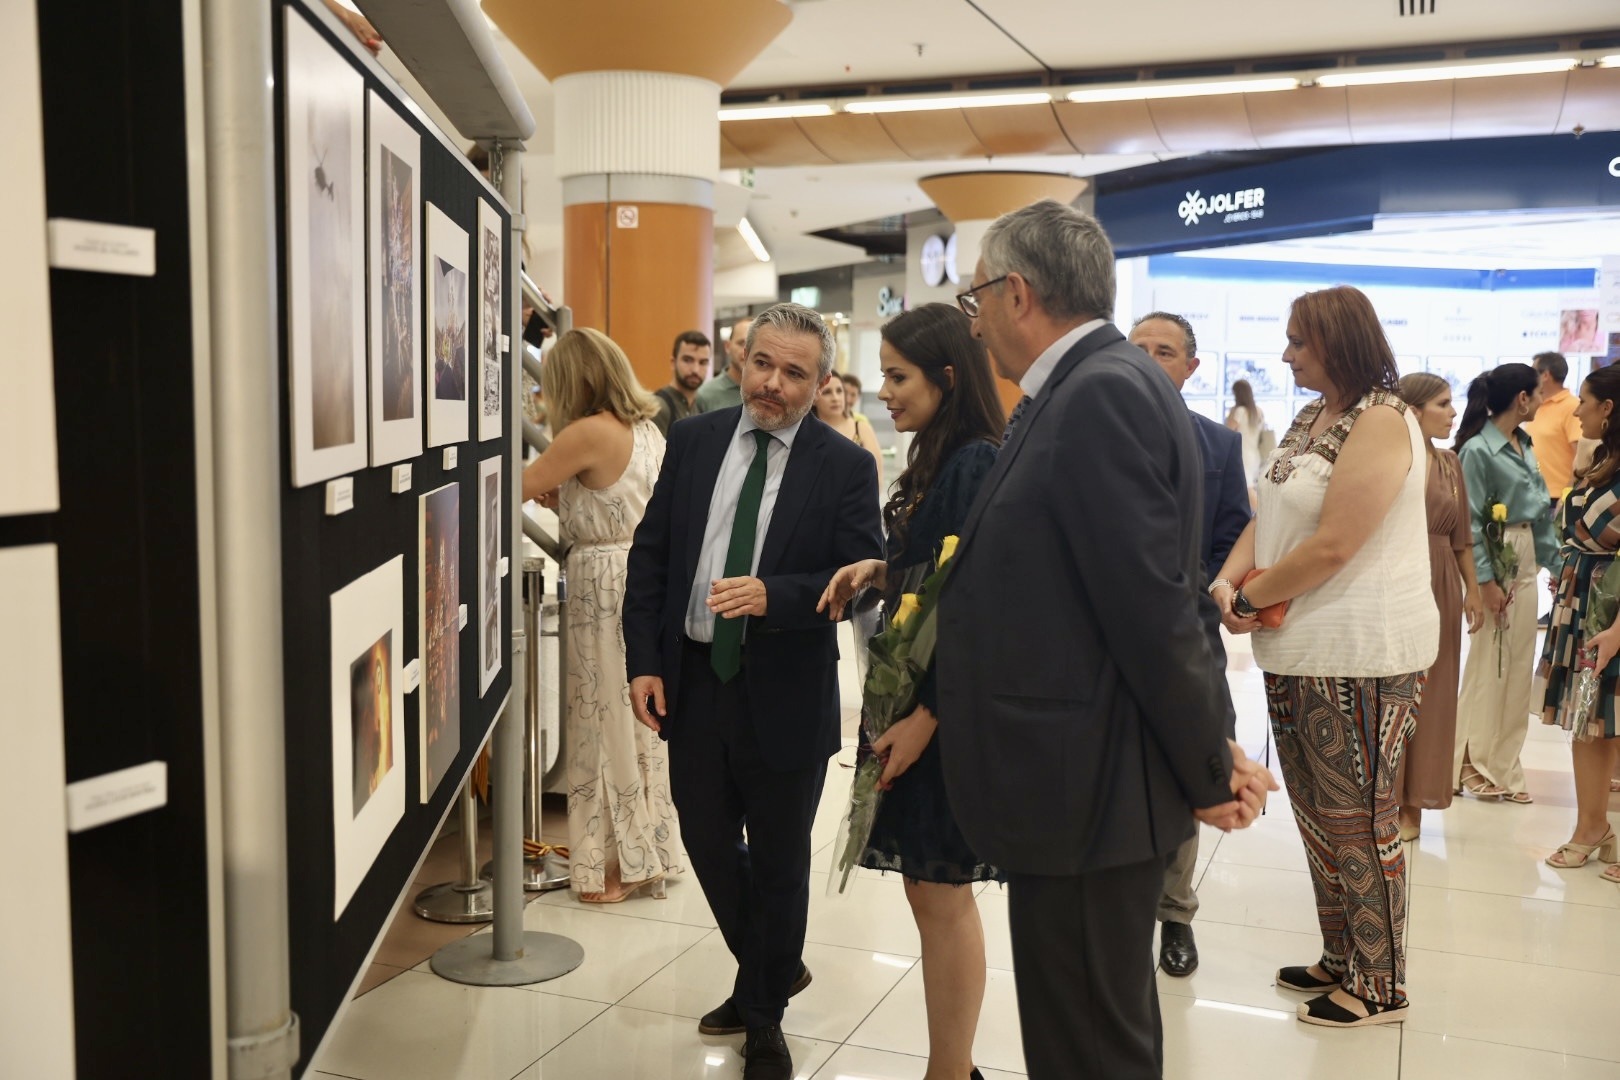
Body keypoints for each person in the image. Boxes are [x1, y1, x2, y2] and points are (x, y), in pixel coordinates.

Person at [937, 199, 1276, 1079]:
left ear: (1016, 292)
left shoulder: (1098, 396)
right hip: (1074, 778)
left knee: (1088, 1043)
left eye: (976, 296)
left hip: (1081, 786)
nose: (973, 321)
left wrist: (1209, 765)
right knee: (1089, 1027)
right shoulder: (1094, 387)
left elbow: (1154, 608)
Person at [623, 303, 884, 1080]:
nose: (771, 383)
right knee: (704, 840)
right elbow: (653, 554)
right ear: (742, 360)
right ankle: (770, 966)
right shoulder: (695, 440)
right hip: (696, 682)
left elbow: (862, 581)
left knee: (777, 860)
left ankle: (763, 1014)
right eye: (762, 363)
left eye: (793, 372)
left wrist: (779, 595)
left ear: (821, 383)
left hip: (787, 691)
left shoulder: (845, 466)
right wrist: (644, 659)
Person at [1212, 284, 1438, 1029]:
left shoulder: (1381, 420)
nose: (1285, 355)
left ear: (1339, 341)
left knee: (1360, 818)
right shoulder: (1314, 417)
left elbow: (1337, 544)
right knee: (1317, 814)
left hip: (1361, 654)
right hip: (1300, 646)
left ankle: (1381, 984)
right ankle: (1341, 957)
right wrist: (1231, 579)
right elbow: (1268, 509)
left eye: (1298, 342)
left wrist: (1252, 599)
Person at [817, 303, 1006, 1080]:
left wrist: (929, 716)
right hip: (924, 698)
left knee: (940, 892)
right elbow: (937, 572)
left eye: (898, 376)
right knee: (931, 892)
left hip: (941, 708)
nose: (881, 391)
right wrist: (882, 571)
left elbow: (977, 604)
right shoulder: (945, 454)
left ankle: (951, 1070)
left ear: (948, 378)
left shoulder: (971, 461)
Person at [520, 329, 684, 902]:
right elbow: (619, 500)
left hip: (601, 586)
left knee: (598, 720)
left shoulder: (584, 431)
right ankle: (650, 851)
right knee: (637, 721)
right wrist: (568, 496)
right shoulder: (646, 430)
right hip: (641, 578)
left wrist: (554, 490)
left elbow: (511, 485)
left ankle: (615, 868)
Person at [1129, 311, 1253, 978]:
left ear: (1190, 368)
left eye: (1165, 350)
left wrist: (1211, 586)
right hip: (1109, 643)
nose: (1150, 358)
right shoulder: (1097, 436)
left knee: (1190, 767)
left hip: (1189, 637)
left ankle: (1175, 914)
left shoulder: (1216, 446)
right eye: (1138, 347)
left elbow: (1235, 532)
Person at [1452, 363, 1558, 803]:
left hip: (1528, 553)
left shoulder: (1524, 442)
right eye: (1537, 395)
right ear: (1522, 398)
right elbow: (1471, 523)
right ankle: (1466, 761)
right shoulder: (1477, 451)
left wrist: (1558, 566)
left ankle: (1504, 764)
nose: (1541, 402)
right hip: (1497, 555)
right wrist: (1483, 582)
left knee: (1517, 667)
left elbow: (1537, 512)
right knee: (1487, 664)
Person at [1394, 374, 1485, 842]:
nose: (1454, 413)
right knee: (1394, 690)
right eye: (1443, 404)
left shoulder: (1450, 463)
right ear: (1413, 409)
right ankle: (1384, 799)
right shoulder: (1394, 458)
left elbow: (1462, 539)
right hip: (1398, 577)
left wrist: (1473, 590)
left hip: (1443, 581)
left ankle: (1415, 805)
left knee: (1436, 695)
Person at [1541, 363, 1620, 879]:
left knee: (1605, 722)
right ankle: (1592, 827)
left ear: (1608, 409)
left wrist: (1617, 630)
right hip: (1585, 607)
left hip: (1609, 616)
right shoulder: (1603, 461)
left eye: (1585, 402)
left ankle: (1594, 827)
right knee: (1590, 725)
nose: (1579, 411)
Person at [1525, 351, 1581, 503]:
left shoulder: (1572, 406)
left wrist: (1567, 494)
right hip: (1534, 493)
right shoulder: (1536, 405)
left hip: (1557, 497)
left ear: (1545, 375)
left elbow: (1581, 455)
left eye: (1533, 372)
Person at [812, 371, 883, 479]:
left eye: (839, 391)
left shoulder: (861, 428)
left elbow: (877, 476)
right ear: (814, 399)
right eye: (827, 392)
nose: (835, 398)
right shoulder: (807, 431)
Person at [652, 330, 711, 436]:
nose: (695, 370)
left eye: (703, 362)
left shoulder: (700, 406)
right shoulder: (659, 406)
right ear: (673, 363)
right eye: (688, 360)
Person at [693, 316, 752, 414]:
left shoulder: (766, 391)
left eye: (752, 344)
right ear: (727, 346)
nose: (747, 351)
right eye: (741, 343)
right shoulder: (705, 395)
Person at [1226, 378, 1266, 484]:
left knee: (1247, 490)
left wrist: (1231, 413)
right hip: (1255, 456)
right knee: (1250, 487)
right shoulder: (1258, 411)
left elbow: (1227, 433)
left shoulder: (1239, 411)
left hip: (1242, 455)